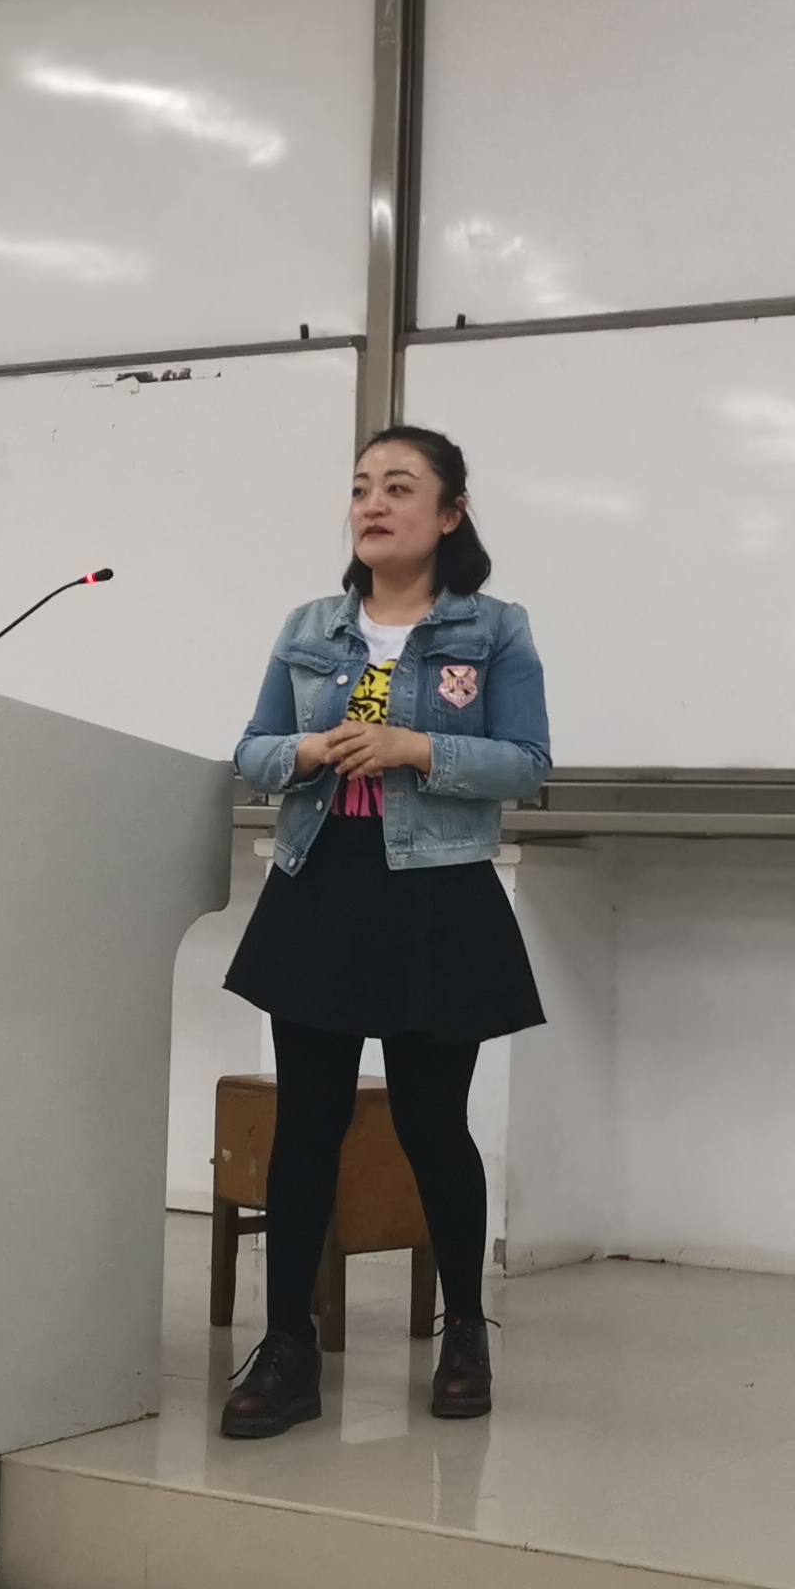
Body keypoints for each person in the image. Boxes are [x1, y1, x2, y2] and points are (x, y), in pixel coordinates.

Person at [218, 423, 550, 1438]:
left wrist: (417, 748)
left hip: (436, 893)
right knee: (307, 1124)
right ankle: (288, 1347)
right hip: (321, 883)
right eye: (362, 485)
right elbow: (252, 751)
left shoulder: (494, 630)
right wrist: (310, 752)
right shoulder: (311, 626)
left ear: (450, 513)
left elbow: (527, 762)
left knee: (430, 1122)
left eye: (400, 487)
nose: (373, 503)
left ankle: (465, 1331)